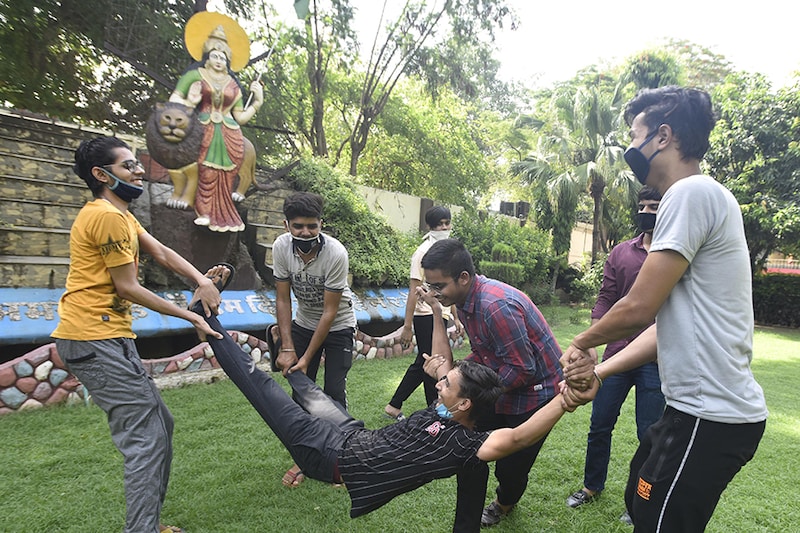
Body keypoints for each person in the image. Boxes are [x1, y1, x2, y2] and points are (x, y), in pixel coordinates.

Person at [195, 268, 575, 526]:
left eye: (446, 384)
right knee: (308, 389)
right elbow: (441, 360)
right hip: (350, 433)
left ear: (464, 404)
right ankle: (288, 359)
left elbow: (519, 437)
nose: (438, 382)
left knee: (257, 386)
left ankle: (204, 317)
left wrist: (566, 397)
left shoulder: (465, 446)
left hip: (327, 456)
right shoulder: (449, 408)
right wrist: (439, 311)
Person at [561, 86, 768, 532]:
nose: (629, 147)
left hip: (709, 415)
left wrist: (581, 343)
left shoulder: (689, 193)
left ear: (663, 136)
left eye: (635, 134)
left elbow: (638, 307)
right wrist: (599, 371)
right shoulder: (703, 196)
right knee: (640, 501)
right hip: (691, 413)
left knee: (657, 524)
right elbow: (660, 330)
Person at [51, 136, 224, 533]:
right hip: (92, 338)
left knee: (160, 424)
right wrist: (190, 316)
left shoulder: (122, 215)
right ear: (101, 175)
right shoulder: (106, 216)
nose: (139, 170)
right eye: (129, 166)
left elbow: (160, 252)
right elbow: (127, 287)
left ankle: (149, 524)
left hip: (109, 337)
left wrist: (201, 278)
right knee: (146, 437)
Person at [420, 238, 563, 529]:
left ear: (463, 278)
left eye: (438, 286)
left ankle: (504, 503)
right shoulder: (463, 300)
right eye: (430, 286)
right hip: (505, 382)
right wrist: (460, 371)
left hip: (536, 393)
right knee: (469, 449)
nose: (433, 293)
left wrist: (469, 390)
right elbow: (487, 352)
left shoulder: (494, 305)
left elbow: (523, 370)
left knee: (511, 466)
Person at [565, 186, 665, 524]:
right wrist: (591, 342)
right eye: (643, 205)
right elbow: (606, 298)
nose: (647, 211)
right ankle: (592, 486)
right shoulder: (622, 253)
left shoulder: (673, 255)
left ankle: (639, 501)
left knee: (648, 433)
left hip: (655, 361)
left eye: (655, 205)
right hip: (616, 357)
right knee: (599, 424)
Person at [268, 191, 357, 487]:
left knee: (333, 392)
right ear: (286, 226)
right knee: (301, 392)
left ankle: (341, 457)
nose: (305, 232)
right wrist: (288, 345)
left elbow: (329, 312)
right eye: (298, 227)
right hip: (304, 323)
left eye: (312, 226)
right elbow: (283, 300)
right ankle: (305, 457)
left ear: (321, 224)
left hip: (339, 325)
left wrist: (306, 358)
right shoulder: (281, 247)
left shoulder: (336, 254)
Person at [169, 14, 263, 232]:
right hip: (201, 126)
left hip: (230, 132)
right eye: (214, 55)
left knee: (226, 174)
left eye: (223, 57)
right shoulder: (194, 76)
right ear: (206, 57)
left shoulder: (233, 83)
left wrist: (257, 102)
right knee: (202, 170)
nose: (219, 60)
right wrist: (189, 102)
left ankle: (224, 214)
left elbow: (240, 117)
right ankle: (202, 210)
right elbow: (174, 101)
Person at [383, 205, 462, 421]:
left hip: (441, 312)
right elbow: (413, 290)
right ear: (429, 226)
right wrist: (407, 326)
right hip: (425, 312)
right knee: (431, 360)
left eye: (447, 223)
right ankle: (432, 408)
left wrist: (455, 316)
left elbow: (450, 287)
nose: (444, 227)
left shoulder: (449, 251)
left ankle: (401, 405)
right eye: (439, 224)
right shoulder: (422, 253)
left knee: (427, 360)